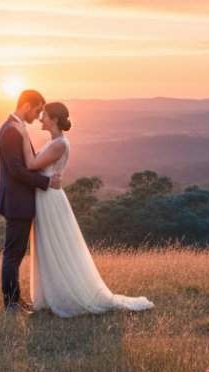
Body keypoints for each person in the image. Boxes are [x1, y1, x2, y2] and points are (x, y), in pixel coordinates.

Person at [14, 101, 154, 317]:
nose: (41, 119)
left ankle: (65, 295)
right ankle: (50, 296)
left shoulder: (59, 143)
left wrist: (23, 136)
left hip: (50, 199)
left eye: (45, 116)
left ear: (55, 120)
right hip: (45, 196)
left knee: (55, 246)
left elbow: (32, 165)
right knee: (48, 247)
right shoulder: (54, 141)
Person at [0, 90, 60, 312]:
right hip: (17, 203)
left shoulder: (14, 129)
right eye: (37, 109)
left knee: (16, 253)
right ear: (26, 105)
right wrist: (46, 181)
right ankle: (11, 304)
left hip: (18, 202)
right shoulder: (11, 132)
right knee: (13, 254)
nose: (38, 115)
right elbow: (17, 171)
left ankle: (15, 299)